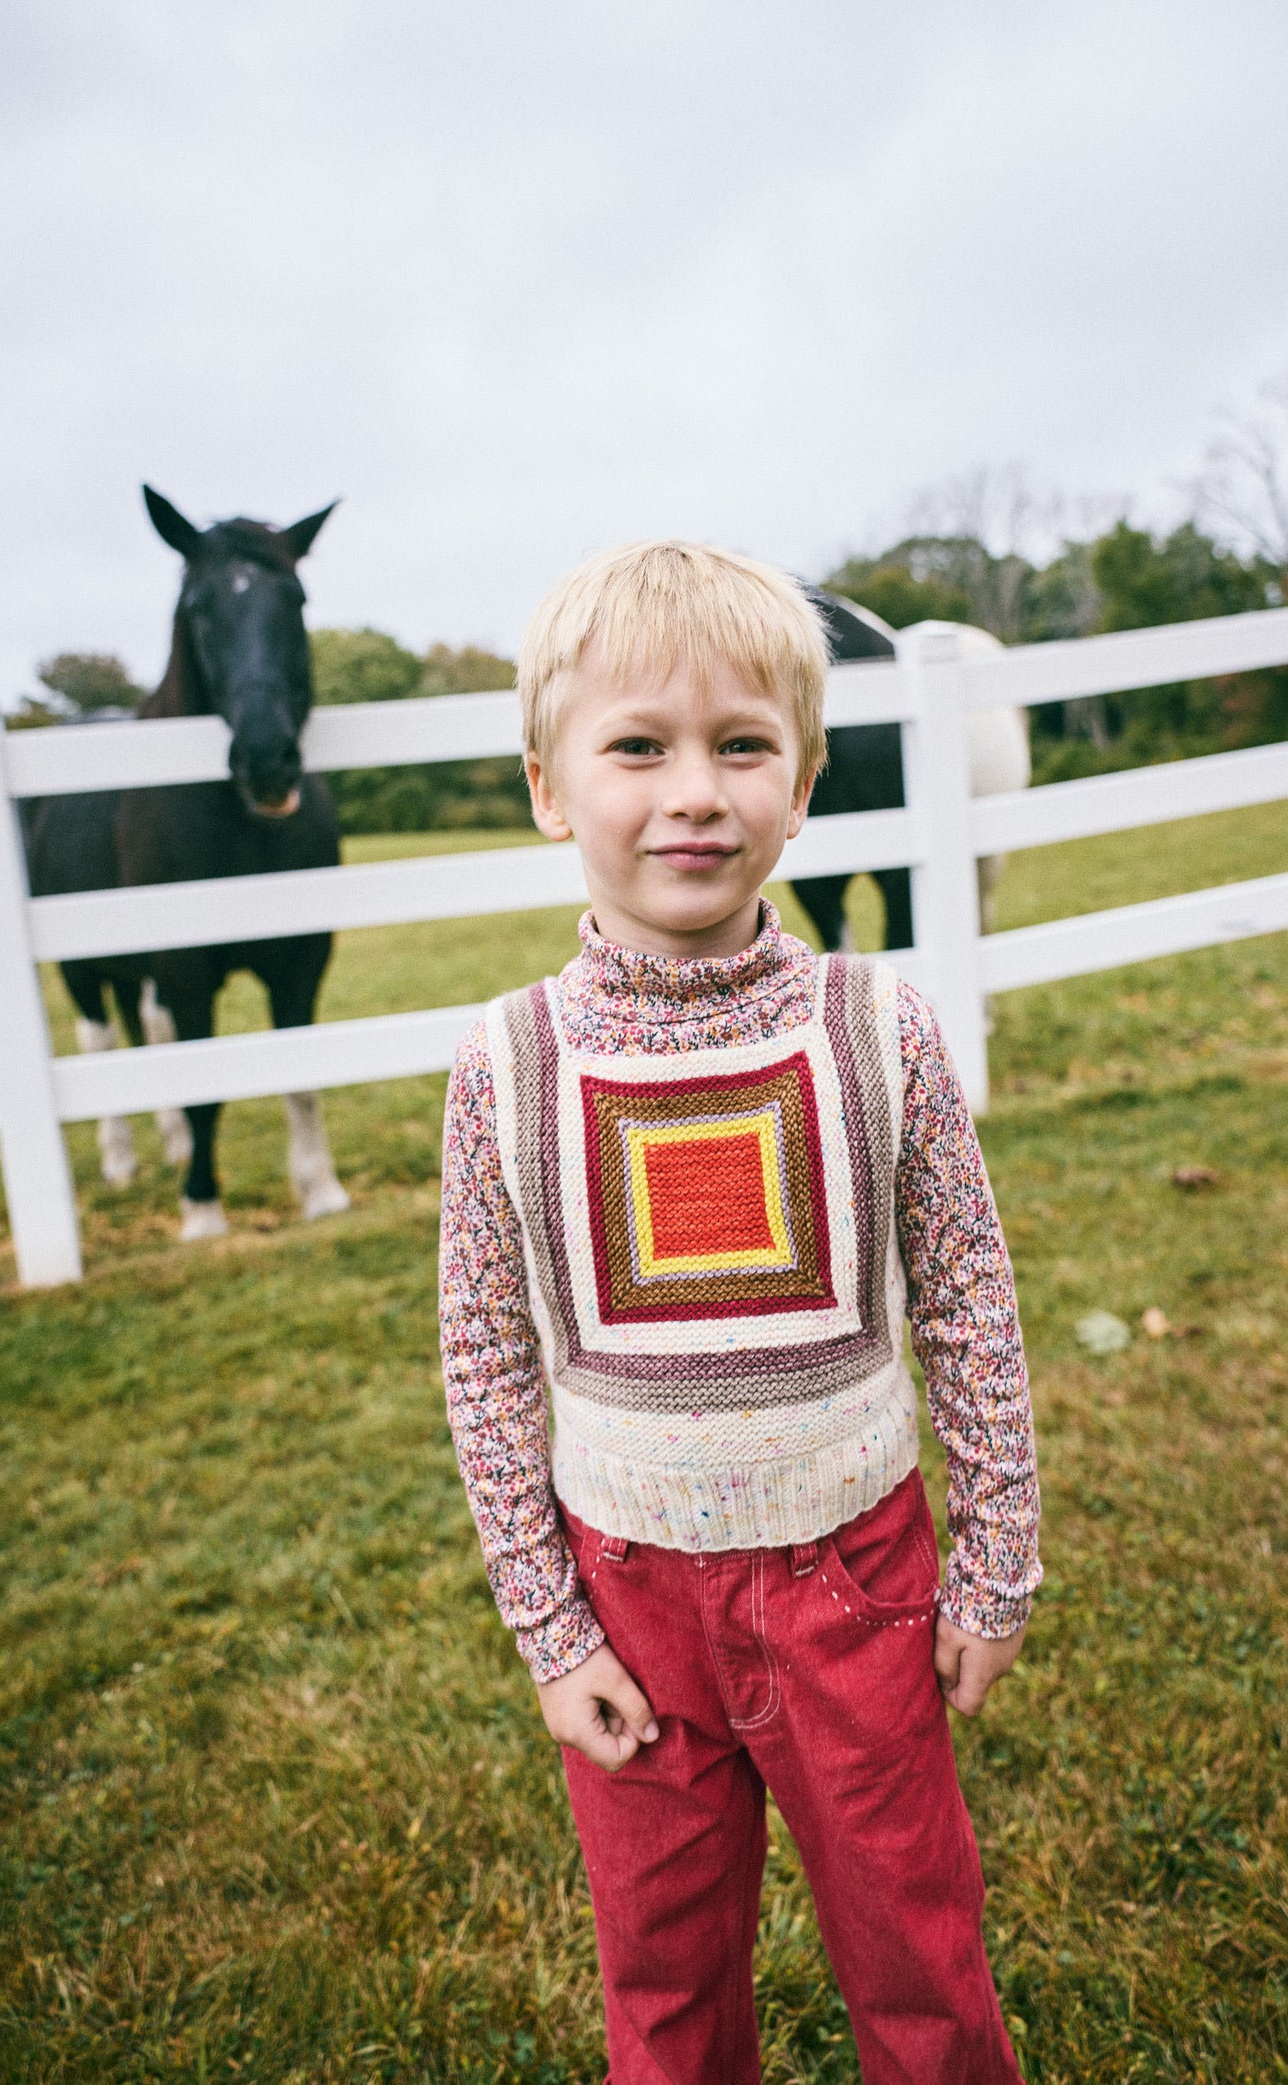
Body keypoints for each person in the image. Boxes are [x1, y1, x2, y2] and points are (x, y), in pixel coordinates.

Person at [438, 540, 1041, 2083]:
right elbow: (487, 1355)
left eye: (740, 745)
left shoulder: (876, 1026)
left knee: (918, 1944)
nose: (692, 791)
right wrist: (546, 1623)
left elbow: (968, 1298)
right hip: (627, 1602)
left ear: (805, 777)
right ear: (549, 790)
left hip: (856, 1579)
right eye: (637, 745)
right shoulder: (505, 1066)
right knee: (664, 1977)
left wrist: (992, 1560)